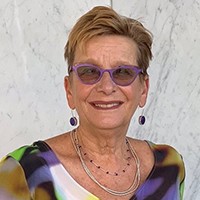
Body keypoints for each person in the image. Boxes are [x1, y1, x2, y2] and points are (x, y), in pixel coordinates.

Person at [0, 6, 185, 200]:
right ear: (69, 89)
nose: (106, 87)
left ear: (144, 89)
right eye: (89, 71)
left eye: (123, 72)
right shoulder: (23, 171)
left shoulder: (170, 166)